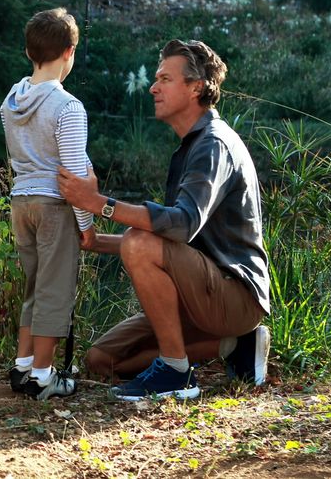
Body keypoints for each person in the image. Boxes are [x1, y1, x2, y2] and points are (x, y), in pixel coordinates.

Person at [57, 39, 270, 401]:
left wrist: (99, 203)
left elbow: (182, 224)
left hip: (235, 295)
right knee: (102, 359)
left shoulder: (213, 145)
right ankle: (232, 346)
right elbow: (176, 240)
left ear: (196, 87)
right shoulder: (191, 145)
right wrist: (96, 241)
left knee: (140, 241)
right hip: (201, 293)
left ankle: (176, 372)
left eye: (165, 79)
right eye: (156, 79)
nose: (153, 87)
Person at [0, 8, 95, 400]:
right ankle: (43, 376)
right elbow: (74, 178)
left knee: (34, 286)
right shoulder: (68, 108)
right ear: (69, 52)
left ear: (28, 52)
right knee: (55, 290)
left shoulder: (11, 101)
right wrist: (87, 225)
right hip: (55, 206)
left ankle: (23, 366)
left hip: (21, 202)